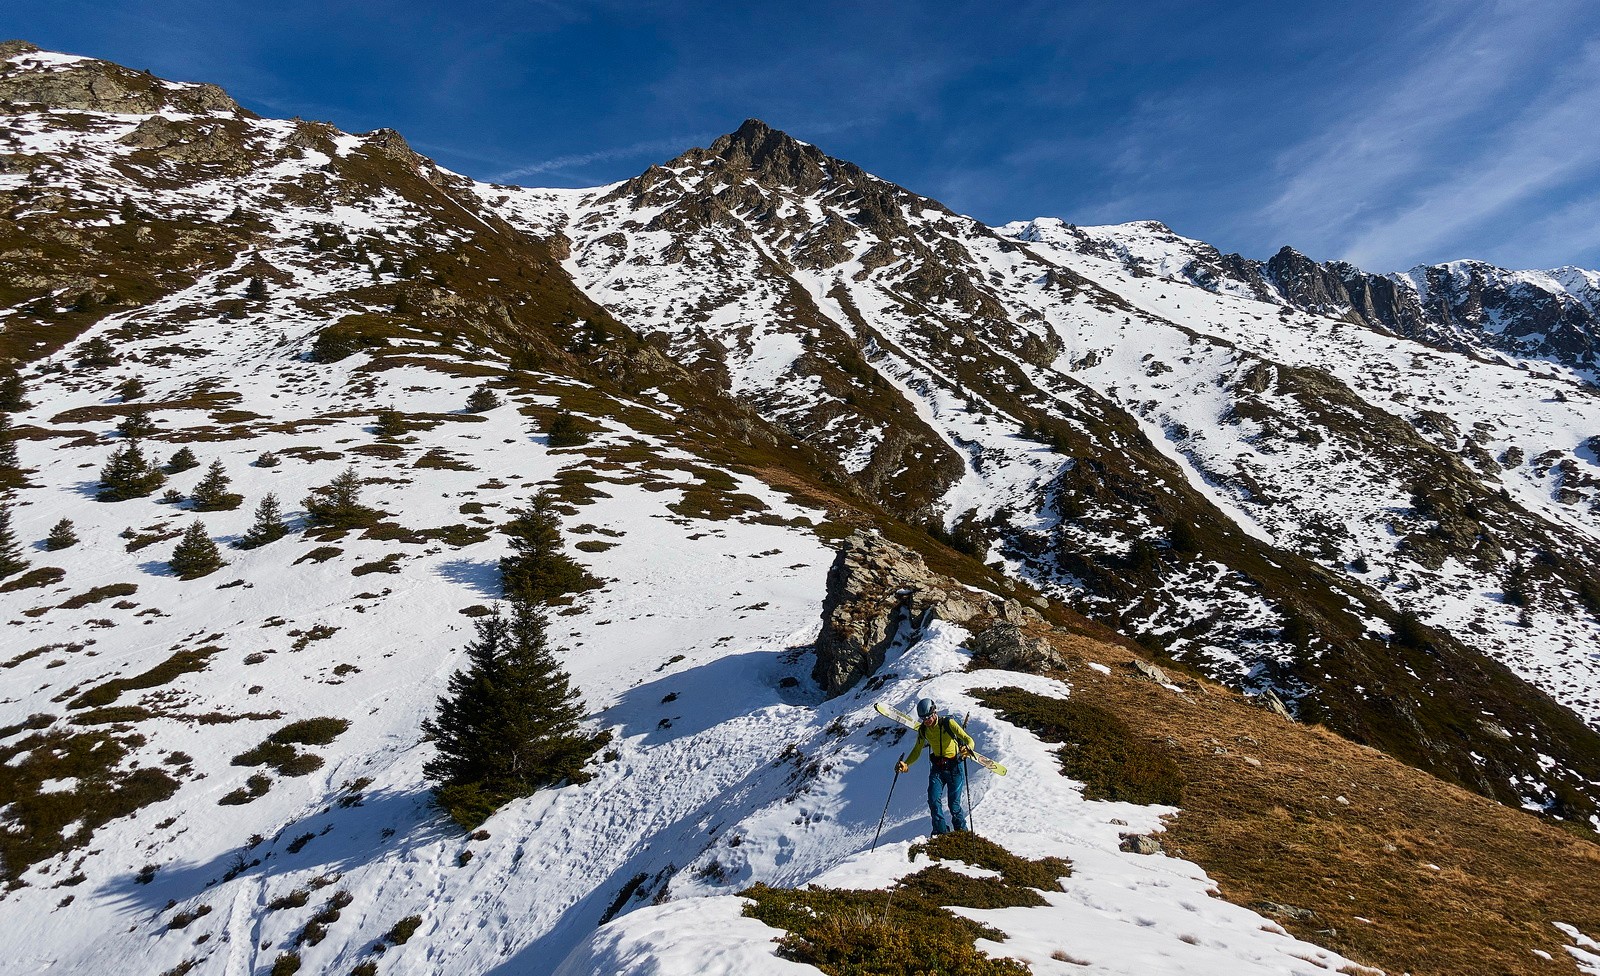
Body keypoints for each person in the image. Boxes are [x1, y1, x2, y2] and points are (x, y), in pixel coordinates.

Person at [896, 698, 975, 834]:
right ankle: (940, 832)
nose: (927, 720)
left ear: (934, 712)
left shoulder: (948, 723)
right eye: (923, 718)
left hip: (955, 767)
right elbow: (917, 750)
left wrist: (968, 748)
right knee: (933, 800)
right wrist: (906, 763)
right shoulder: (923, 730)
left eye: (928, 717)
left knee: (953, 805)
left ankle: (962, 833)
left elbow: (969, 739)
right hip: (938, 768)